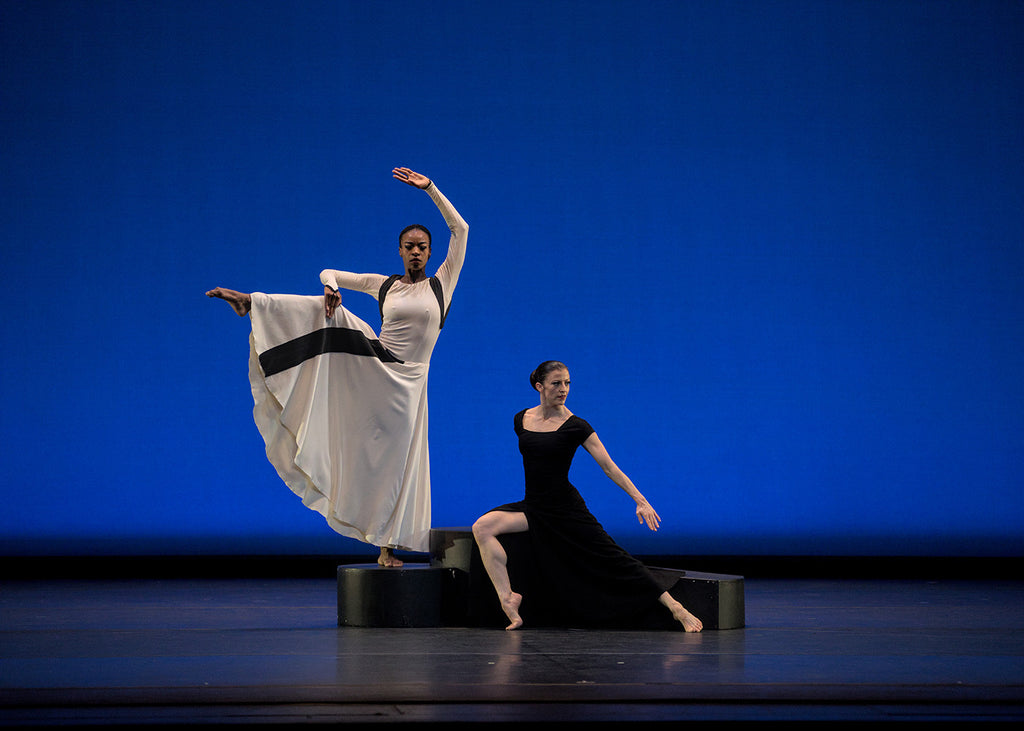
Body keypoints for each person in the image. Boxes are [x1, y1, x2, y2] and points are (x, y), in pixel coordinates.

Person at [207, 167, 468, 567]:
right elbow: (330, 271)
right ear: (399, 251)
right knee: (329, 310)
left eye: (422, 246)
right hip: (377, 366)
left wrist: (430, 188)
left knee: (396, 461)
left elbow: (461, 228)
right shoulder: (384, 285)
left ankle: (385, 548)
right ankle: (253, 303)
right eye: (408, 246)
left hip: (412, 381)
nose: (415, 251)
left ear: (431, 253)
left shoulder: (441, 284)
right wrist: (331, 287)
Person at [472, 361, 703, 632]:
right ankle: (508, 598)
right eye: (556, 383)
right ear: (539, 386)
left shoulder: (576, 426)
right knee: (482, 527)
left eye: (567, 383)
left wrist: (640, 500)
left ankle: (676, 608)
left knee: (615, 558)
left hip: (566, 509)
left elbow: (609, 467)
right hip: (534, 507)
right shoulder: (521, 419)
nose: (564, 389)